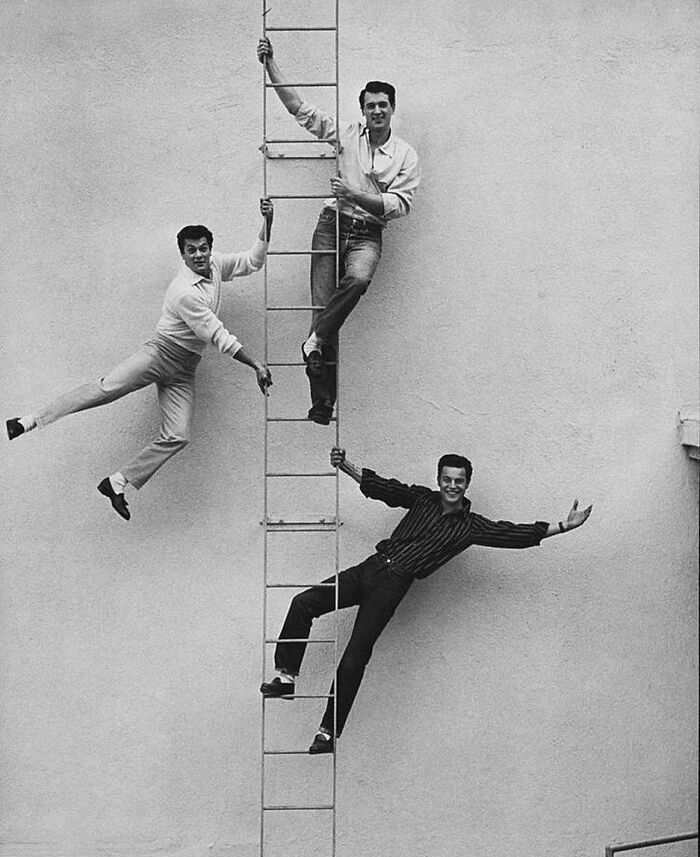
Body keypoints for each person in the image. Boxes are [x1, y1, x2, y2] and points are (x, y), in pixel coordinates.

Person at [261, 446, 593, 754]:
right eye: (447, 479)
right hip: (369, 568)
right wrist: (345, 465)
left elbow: (513, 534)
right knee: (304, 601)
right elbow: (384, 489)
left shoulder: (470, 527)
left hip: (391, 586)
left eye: (459, 481)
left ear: (466, 485)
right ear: (438, 480)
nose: (452, 485)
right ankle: (286, 677)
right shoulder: (422, 499)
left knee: (353, 658)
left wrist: (564, 526)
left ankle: (326, 733)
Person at [6, 200, 275, 521]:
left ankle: (116, 483)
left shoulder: (216, 265)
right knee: (106, 389)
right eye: (192, 251)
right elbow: (218, 335)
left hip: (184, 369)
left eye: (203, 248)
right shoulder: (183, 292)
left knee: (178, 435)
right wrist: (256, 364)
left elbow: (254, 261)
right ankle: (30, 420)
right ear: (183, 255)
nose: (200, 255)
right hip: (160, 354)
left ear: (209, 249)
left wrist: (267, 222)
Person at [257, 37, 421, 425]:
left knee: (359, 279)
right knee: (321, 309)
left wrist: (355, 194)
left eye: (383, 105)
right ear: (362, 110)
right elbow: (301, 110)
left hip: (367, 232)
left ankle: (312, 343)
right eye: (370, 106)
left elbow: (399, 206)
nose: (377, 111)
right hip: (332, 226)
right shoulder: (347, 134)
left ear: (392, 109)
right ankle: (323, 403)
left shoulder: (404, 155)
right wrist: (271, 65)